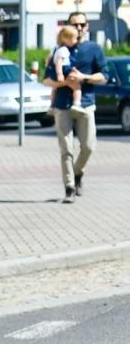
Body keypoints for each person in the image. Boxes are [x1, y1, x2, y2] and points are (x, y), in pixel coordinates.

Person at [44, 12, 106, 203]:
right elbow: (47, 80)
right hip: (62, 105)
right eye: (74, 25)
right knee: (66, 149)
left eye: (82, 25)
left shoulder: (94, 48)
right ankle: (69, 187)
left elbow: (104, 76)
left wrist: (83, 78)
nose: (78, 28)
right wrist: (65, 83)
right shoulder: (58, 50)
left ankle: (78, 171)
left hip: (86, 104)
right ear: (67, 28)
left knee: (88, 147)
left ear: (87, 26)